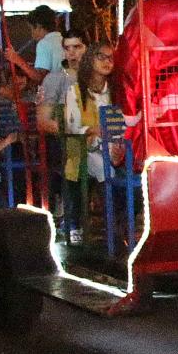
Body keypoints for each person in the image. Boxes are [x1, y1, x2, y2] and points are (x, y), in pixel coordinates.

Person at [61, 43, 121, 244]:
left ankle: (118, 223)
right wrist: (92, 131)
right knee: (104, 172)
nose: (107, 62)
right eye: (101, 57)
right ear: (90, 60)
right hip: (84, 148)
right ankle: (108, 225)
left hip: (112, 149)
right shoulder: (75, 91)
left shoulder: (115, 91)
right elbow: (72, 127)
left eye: (110, 58)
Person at [38, 30, 87, 221]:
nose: (72, 53)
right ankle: (73, 218)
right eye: (68, 48)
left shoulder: (99, 76)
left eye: (77, 47)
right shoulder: (54, 79)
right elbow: (43, 120)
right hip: (67, 140)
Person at [5, 6, 63, 94]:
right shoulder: (62, 39)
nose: (32, 34)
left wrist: (16, 59)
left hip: (53, 96)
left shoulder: (44, 43)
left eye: (32, 29)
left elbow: (39, 76)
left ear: (39, 27)